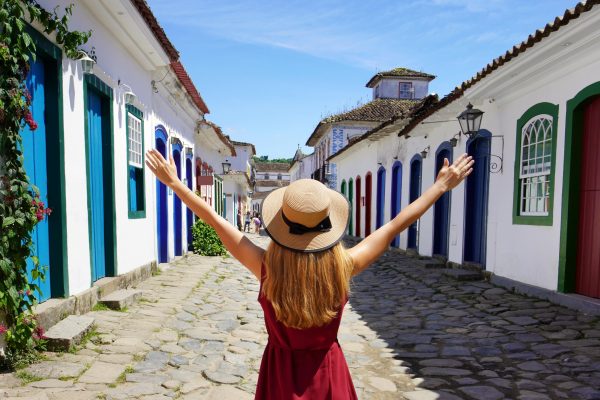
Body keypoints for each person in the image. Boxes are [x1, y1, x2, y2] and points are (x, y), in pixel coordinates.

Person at [145, 149, 473, 400]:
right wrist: (440, 186)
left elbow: (217, 221)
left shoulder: (266, 268)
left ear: (281, 225)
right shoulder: (343, 265)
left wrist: (175, 183)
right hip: (328, 373)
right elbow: (392, 227)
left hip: (279, 375)